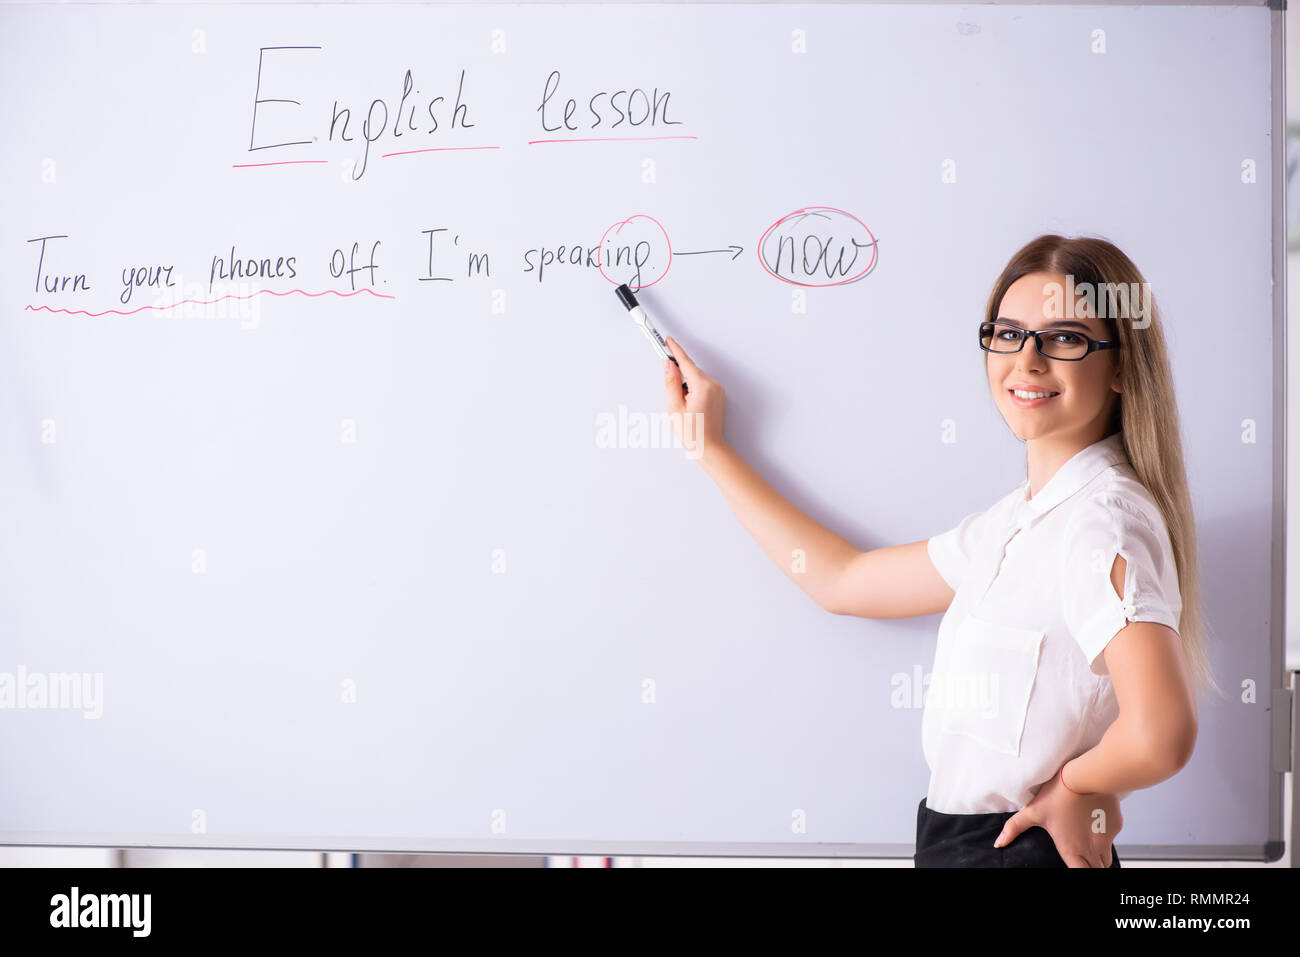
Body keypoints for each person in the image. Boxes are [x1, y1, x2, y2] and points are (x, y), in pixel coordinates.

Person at [661, 234, 1219, 868]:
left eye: (1063, 338)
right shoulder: (1015, 522)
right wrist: (712, 450)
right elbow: (842, 581)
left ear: (1121, 366)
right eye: (1008, 334)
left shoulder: (1101, 523)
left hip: (1014, 849)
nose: (1027, 360)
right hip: (962, 845)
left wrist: (1078, 788)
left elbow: (1161, 733)